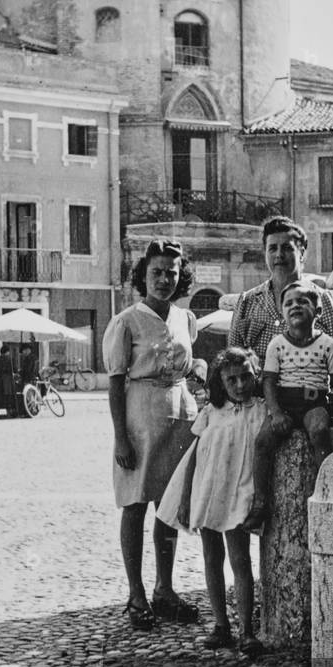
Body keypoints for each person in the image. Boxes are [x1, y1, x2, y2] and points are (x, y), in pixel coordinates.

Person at [103, 238, 203, 631]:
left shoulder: (185, 319)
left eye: (171, 273)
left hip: (180, 415)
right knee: (135, 504)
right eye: (156, 272)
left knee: (169, 506)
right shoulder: (126, 321)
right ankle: (136, 594)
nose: (164, 279)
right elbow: (114, 384)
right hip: (140, 416)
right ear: (142, 276)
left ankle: (165, 589)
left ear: (181, 278)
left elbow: (188, 365)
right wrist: (120, 438)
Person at [229, 216, 333, 504]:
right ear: (265, 253)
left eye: (287, 248)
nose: (279, 255)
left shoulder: (322, 301)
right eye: (272, 248)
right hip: (259, 407)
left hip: (311, 405)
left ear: (303, 253)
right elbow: (232, 358)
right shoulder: (249, 301)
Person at [157, 346, 266, 655]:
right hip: (209, 490)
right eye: (232, 380)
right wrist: (186, 498)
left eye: (246, 377)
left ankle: (247, 629)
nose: (240, 385)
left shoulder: (260, 409)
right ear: (221, 382)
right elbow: (193, 458)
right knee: (211, 557)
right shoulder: (211, 412)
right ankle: (222, 625)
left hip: (239, 492)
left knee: (240, 559)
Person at [262, 282, 333, 476]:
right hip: (285, 404)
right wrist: (276, 413)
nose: (295, 306)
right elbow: (269, 382)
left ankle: (324, 484)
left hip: (314, 404)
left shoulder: (327, 344)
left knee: (320, 430)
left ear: (318, 311)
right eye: (288, 304)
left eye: (302, 302)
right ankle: (260, 499)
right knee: (262, 441)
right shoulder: (276, 344)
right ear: (282, 312)